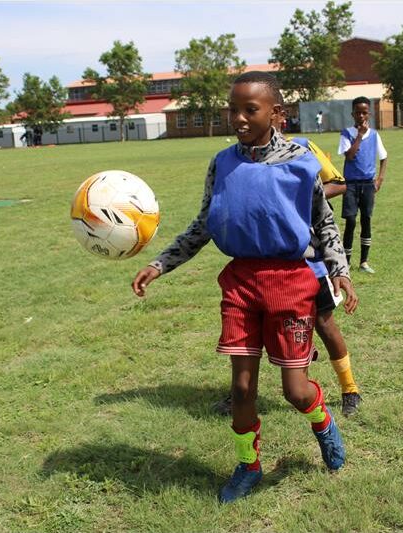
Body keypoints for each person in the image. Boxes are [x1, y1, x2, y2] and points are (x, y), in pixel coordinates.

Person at [132, 71, 358, 503]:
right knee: (240, 388)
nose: (238, 117)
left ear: (276, 113)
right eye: (232, 109)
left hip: (290, 282)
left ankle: (323, 423)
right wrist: (160, 264)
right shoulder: (222, 163)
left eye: (249, 109)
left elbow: (323, 222)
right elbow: (204, 224)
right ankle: (248, 466)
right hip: (240, 283)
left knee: (295, 390)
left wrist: (340, 270)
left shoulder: (301, 162)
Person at [213, 106, 363, 417]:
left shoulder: (303, 149)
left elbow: (337, 182)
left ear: (279, 116)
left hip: (308, 262)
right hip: (262, 266)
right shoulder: (242, 157)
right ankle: (240, 393)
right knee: (254, 329)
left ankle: (349, 389)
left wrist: (294, 199)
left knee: (324, 322)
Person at [338, 96, 388, 274]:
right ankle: (346, 261)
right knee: (351, 221)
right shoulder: (346, 134)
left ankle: (364, 262)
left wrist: (379, 179)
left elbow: (384, 157)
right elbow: (349, 156)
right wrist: (358, 136)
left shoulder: (374, 135)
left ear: (369, 114)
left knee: (366, 220)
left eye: (364, 112)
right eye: (358, 112)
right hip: (350, 184)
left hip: (368, 184)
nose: (361, 115)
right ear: (353, 114)